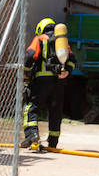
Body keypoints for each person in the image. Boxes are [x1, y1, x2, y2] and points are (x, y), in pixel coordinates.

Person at [21, 17, 77, 150]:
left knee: (31, 106)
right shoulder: (62, 43)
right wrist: (67, 71)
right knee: (55, 111)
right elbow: (72, 59)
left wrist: (26, 72)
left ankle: (32, 134)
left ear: (41, 28)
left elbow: (29, 56)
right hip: (59, 83)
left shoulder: (40, 39)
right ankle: (53, 142)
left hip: (41, 81)